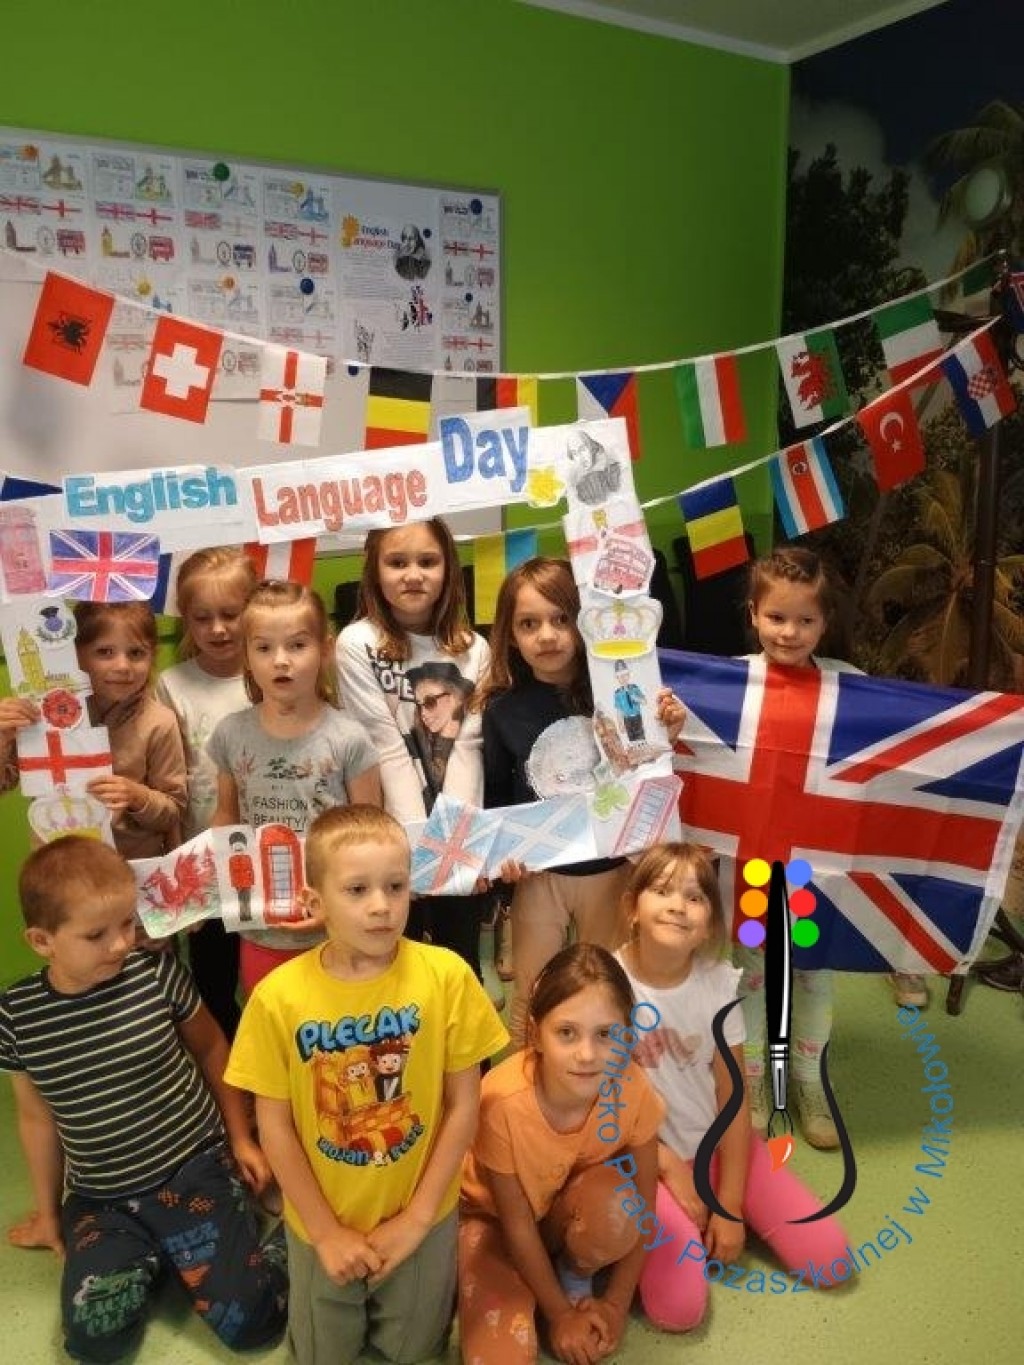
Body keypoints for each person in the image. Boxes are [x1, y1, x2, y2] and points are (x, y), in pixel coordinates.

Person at [225, 804, 507, 1365]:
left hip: (423, 1216)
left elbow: (464, 1105)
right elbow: (275, 1128)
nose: (381, 905)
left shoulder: (448, 977)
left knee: (413, 1350)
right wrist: (325, 1233)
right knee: (322, 1354)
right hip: (320, 1222)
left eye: (395, 886)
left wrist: (418, 1218)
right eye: (357, 889)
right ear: (314, 903)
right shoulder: (277, 999)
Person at [0, 836, 287, 1361]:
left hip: (195, 1170)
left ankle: (289, 1237)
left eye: (127, 924)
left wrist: (241, 1138)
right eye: (96, 934)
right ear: (42, 941)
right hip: (102, 1198)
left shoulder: (156, 974)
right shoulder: (16, 1016)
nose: (120, 944)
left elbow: (213, 1048)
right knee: (94, 1340)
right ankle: (157, 1255)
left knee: (252, 1324)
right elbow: (36, 1118)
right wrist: (48, 1213)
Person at [615, 842, 850, 1331]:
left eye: (695, 897)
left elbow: (734, 1098)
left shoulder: (718, 984)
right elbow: (601, 1106)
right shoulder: (608, 986)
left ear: (709, 925)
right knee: (678, 1312)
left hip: (719, 1147)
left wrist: (730, 1203)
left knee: (831, 1261)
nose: (678, 906)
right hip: (642, 1159)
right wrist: (669, 1170)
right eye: (662, 891)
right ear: (632, 907)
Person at [476, 557, 684, 1045]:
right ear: (510, 635)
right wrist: (504, 858)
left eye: (560, 618)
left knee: (609, 987)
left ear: (584, 621)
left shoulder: (620, 692)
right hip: (540, 874)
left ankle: (609, 1081)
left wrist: (667, 733)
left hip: (613, 868)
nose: (546, 635)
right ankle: (526, 1081)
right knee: (532, 991)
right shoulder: (502, 711)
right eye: (529, 624)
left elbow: (647, 770)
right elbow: (498, 799)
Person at [458, 943, 664, 1365]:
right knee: (502, 1358)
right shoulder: (501, 1102)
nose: (587, 1055)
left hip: (558, 1212)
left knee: (618, 1206)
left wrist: (615, 1304)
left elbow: (645, 1206)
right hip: (490, 1221)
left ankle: (572, 1271)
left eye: (605, 1034)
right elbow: (516, 1224)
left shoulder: (633, 1089)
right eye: (567, 1032)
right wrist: (559, 1315)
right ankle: (543, 1288)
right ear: (536, 1034)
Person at [336, 519, 493, 982]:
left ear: (448, 569)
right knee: (392, 971)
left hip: (457, 836)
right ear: (374, 570)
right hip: (390, 841)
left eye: (427, 561)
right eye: (397, 562)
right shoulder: (357, 643)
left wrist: (453, 851)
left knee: (459, 968)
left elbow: (467, 746)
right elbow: (383, 746)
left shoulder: (475, 649)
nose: (413, 574)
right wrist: (412, 854)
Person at [209, 580, 382, 996]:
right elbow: (226, 817)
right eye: (263, 648)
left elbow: (371, 836)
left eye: (297, 645)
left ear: (325, 650)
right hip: (262, 930)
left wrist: (337, 909)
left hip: (338, 928)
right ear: (246, 656)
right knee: (275, 1024)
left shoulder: (348, 738)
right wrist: (215, 889)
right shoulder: (231, 733)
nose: (280, 661)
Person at [156, 545, 258, 1038]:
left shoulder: (273, 670)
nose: (218, 629)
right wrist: (180, 871)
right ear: (186, 620)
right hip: (205, 865)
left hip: (269, 860)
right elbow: (169, 781)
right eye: (202, 618)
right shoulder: (172, 684)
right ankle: (230, 1073)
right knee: (213, 986)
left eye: (230, 615)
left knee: (268, 977)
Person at [74, 600, 188, 860]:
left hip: (136, 868)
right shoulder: (52, 716)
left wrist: (137, 796)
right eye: (105, 652)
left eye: (136, 653)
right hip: (66, 866)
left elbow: (173, 811)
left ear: (152, 656)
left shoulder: (159, 722)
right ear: (77, 656)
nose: (123, 666)